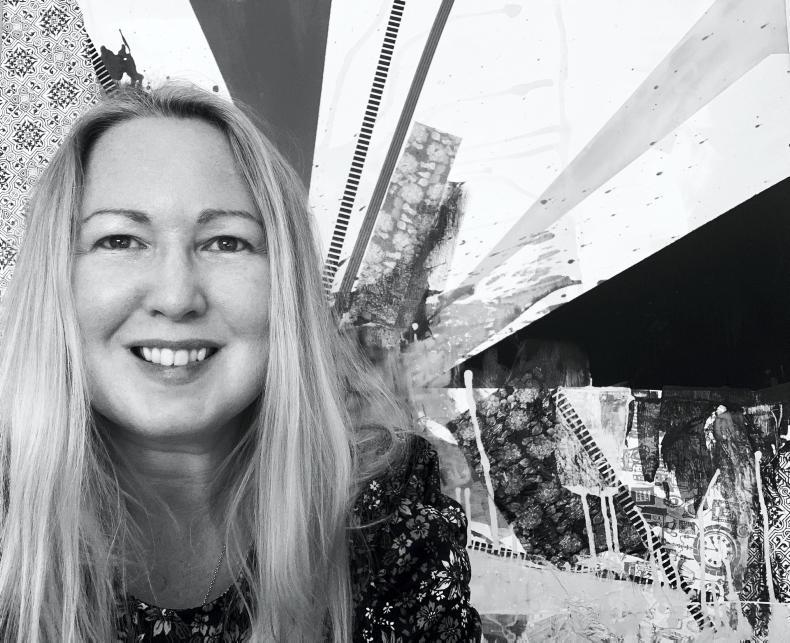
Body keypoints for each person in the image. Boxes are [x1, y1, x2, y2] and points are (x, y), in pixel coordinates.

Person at [0, 83, 481, 641]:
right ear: (56, 279)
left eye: (225, 242)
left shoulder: (383, 507)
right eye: (121, 240)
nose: (176, 297)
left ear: (286, 285)